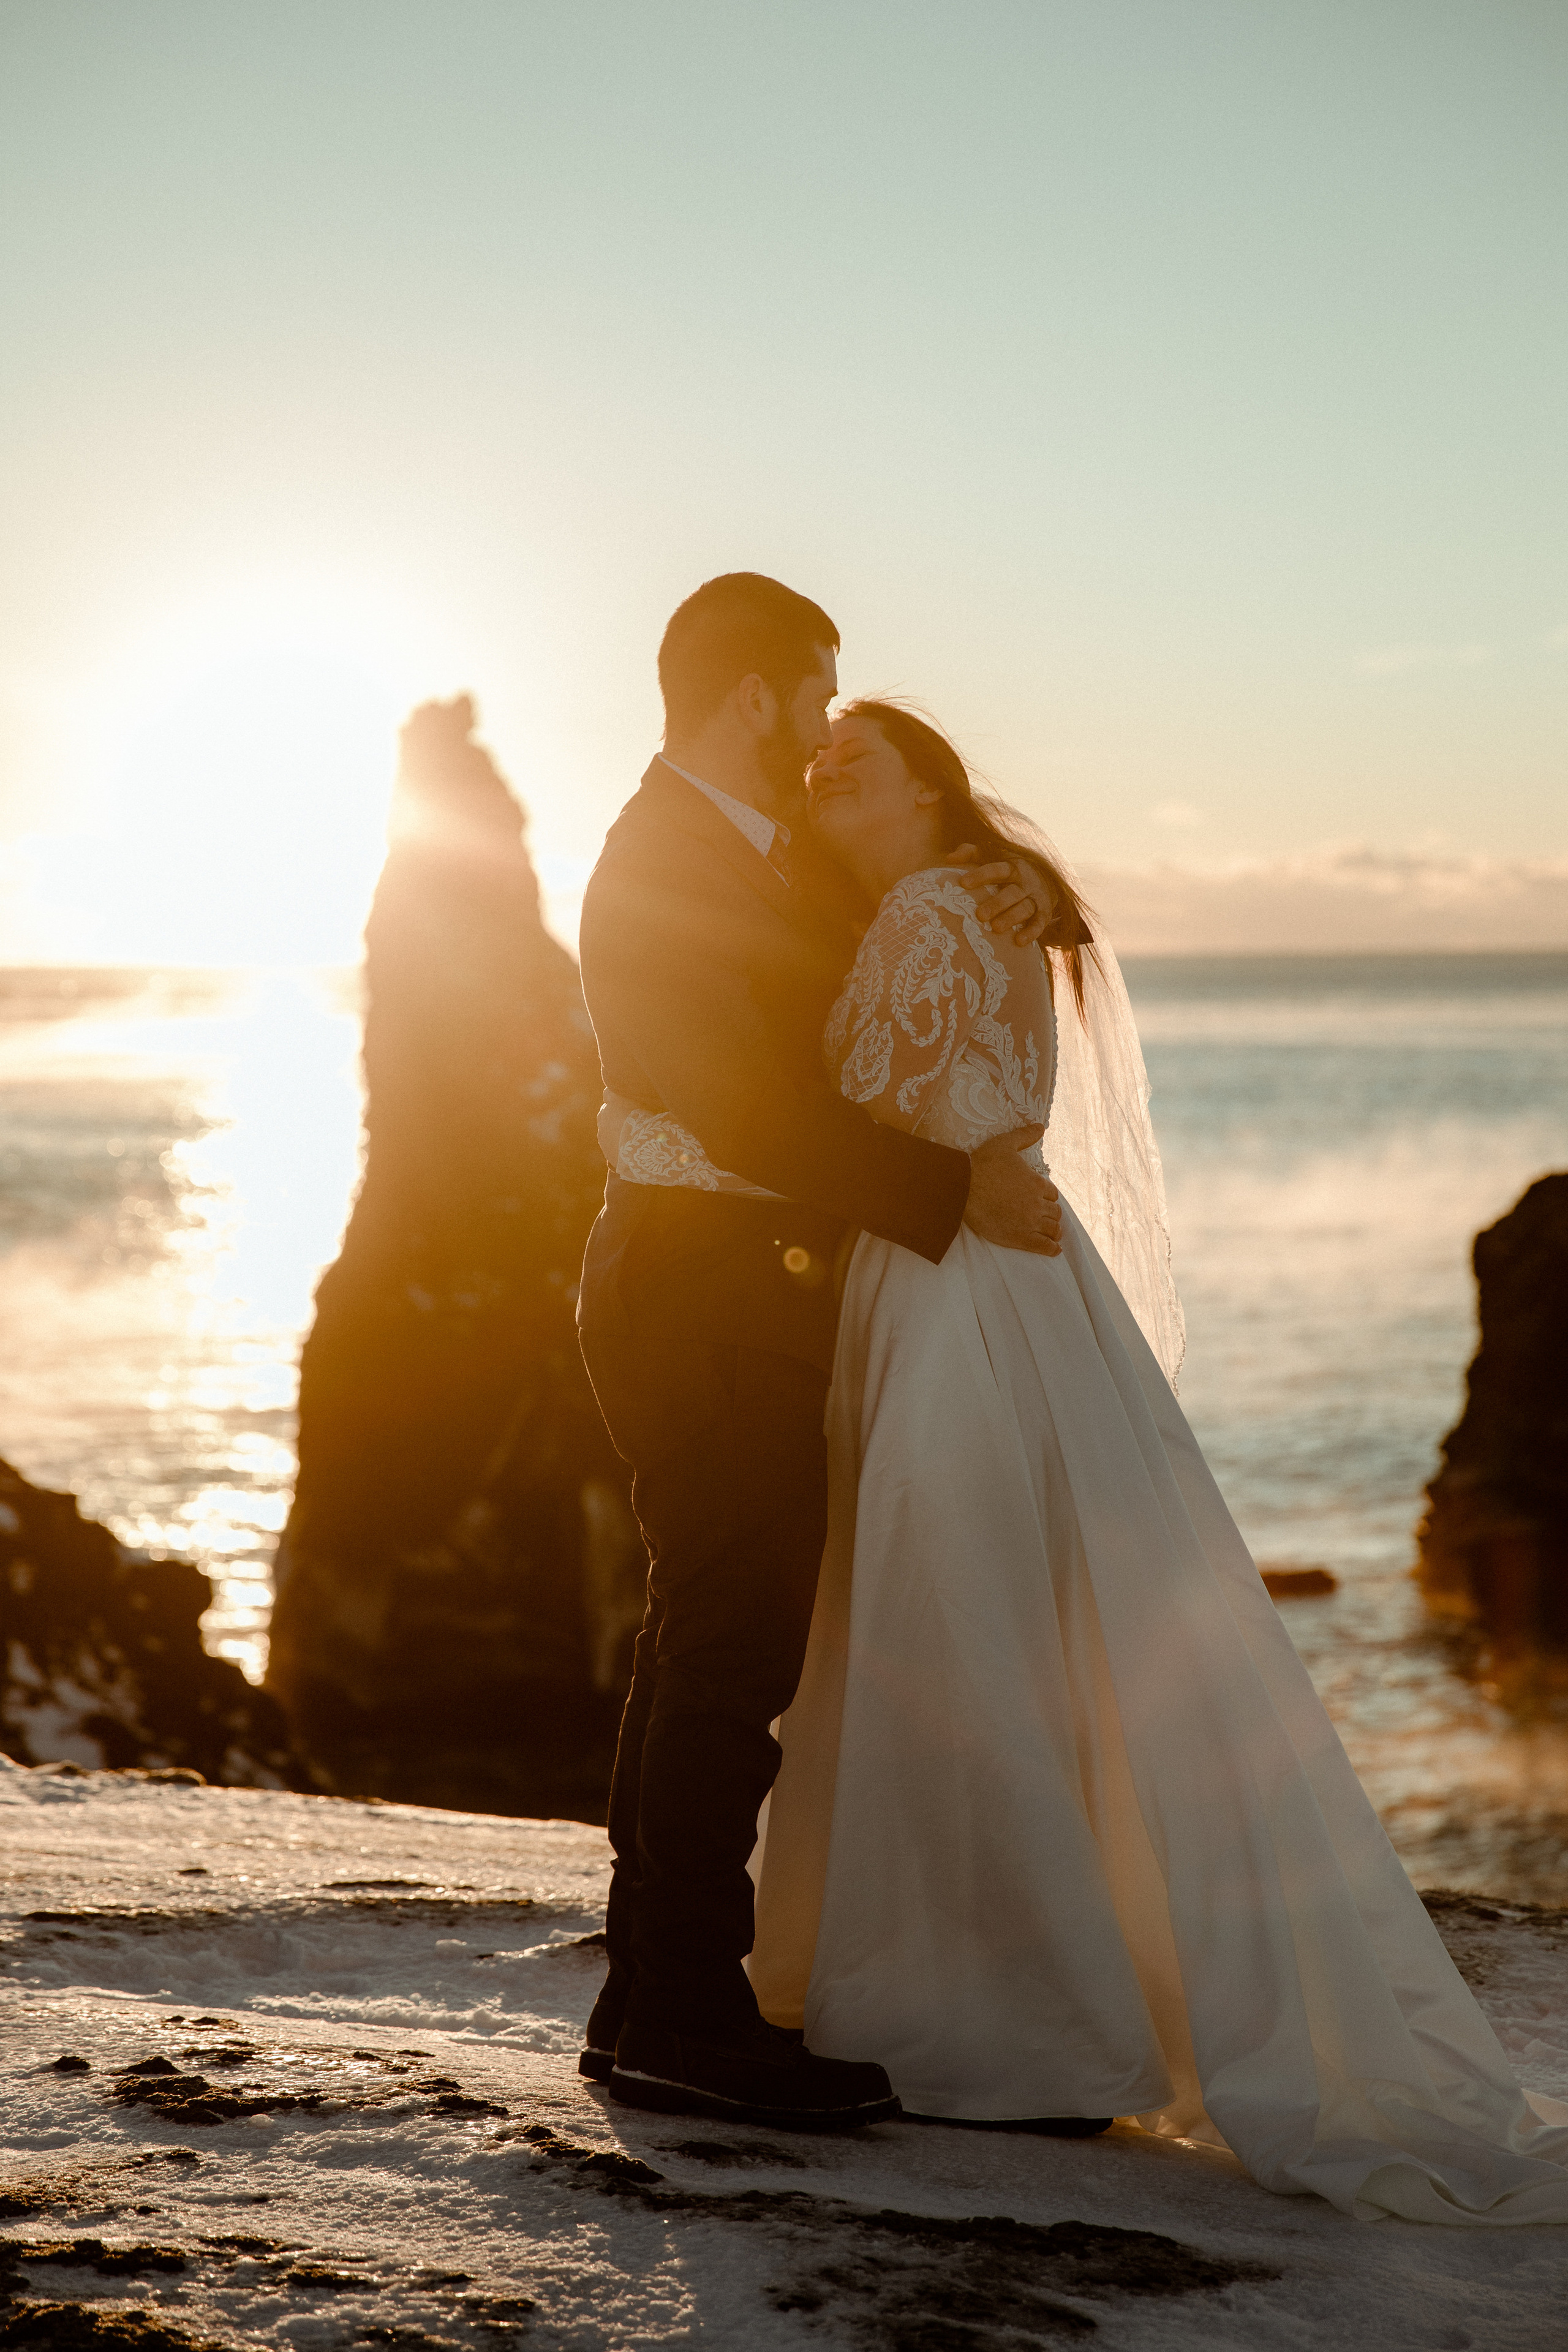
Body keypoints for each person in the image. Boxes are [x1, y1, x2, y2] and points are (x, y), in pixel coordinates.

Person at [737, 698, 1568, 2224]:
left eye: (860, 759)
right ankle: (1063, 1982)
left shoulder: (926, 911)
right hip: (1021, 1290)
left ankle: (1006, 2019)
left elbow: (846, 1106)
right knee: (1047, 1616)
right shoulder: (984, 904)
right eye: (816, 760)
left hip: (946, 1299)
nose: (825, 773)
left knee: (951, 1619)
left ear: (930, 793)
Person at [575, 576, 1059, 2128]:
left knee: (703, 1636)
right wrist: (951, 1182)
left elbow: (869, 989)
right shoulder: (654, 858)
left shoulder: (746, 850)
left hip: (739, 1288)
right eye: (815, 694)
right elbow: (738, 1097)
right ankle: (681, 2019)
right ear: (756, 696)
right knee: (726, 1648)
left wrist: (991, 886)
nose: (820, 726)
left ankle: (648, 1994)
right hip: (696, 1292)